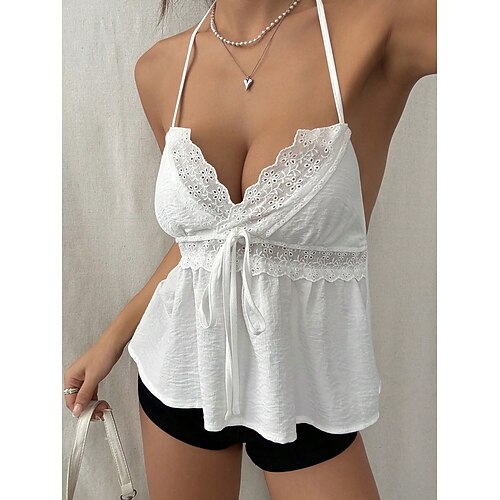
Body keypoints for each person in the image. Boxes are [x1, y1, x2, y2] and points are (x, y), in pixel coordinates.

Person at [64, 0, 436, 498]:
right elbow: (203, 245)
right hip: (180, 371)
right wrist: (113, 338)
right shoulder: (159, 70)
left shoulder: (380, 26)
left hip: (307, 389)